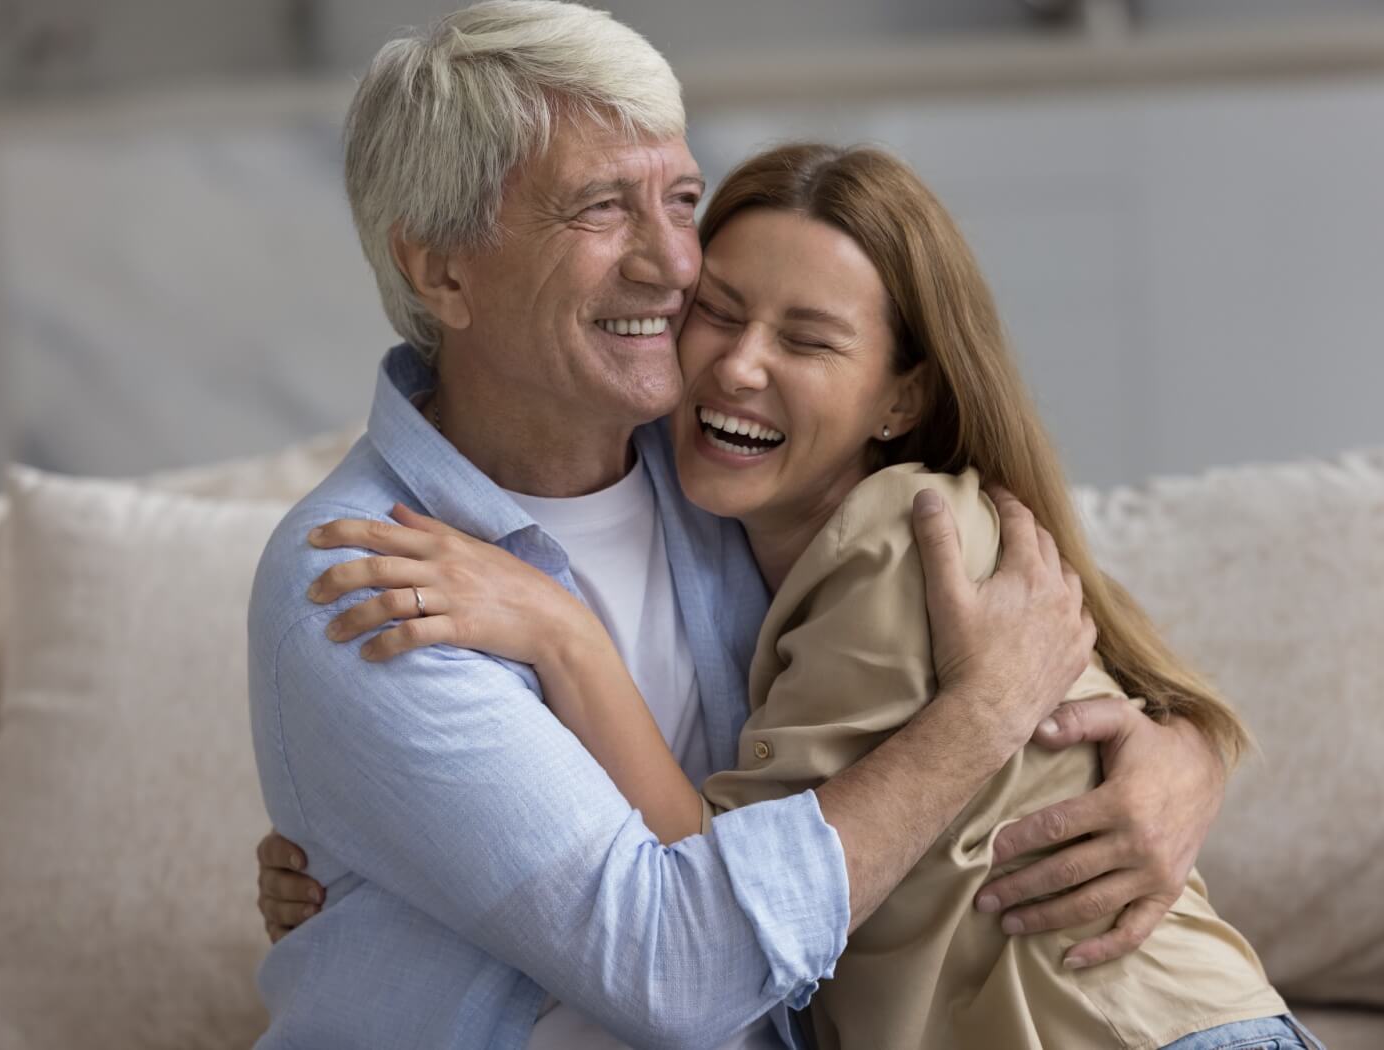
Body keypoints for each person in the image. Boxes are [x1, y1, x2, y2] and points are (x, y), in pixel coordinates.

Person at [248, 4, 1235, 1047]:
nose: (675, 266)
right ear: (441, 269)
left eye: (679, 200)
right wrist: (982, 715)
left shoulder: (733, 477)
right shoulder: (365, 576)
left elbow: (1087, 661)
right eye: (599, 209)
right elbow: (686, 974)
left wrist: (1185, 758)